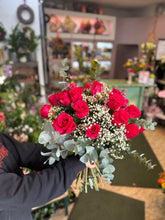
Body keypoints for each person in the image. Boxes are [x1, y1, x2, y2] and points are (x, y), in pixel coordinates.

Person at [0, 132, 94, 220]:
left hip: (20, 213)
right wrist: (74, 165)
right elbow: (29, 190)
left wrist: (67, 155)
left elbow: (29, 153)